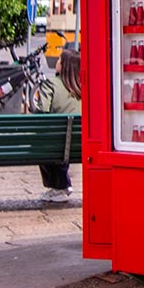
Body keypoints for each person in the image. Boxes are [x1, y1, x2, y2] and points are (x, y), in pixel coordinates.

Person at [39, 47, 81, 202]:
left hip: (56, 143)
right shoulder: (83, 86)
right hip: (80, 144)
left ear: (64, 66)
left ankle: (59, 186)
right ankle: (63, 184)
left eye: (59, 60)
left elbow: (41, 112)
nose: (57, 62)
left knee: (44, 142)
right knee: (63, 142)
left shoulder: (51, 84)